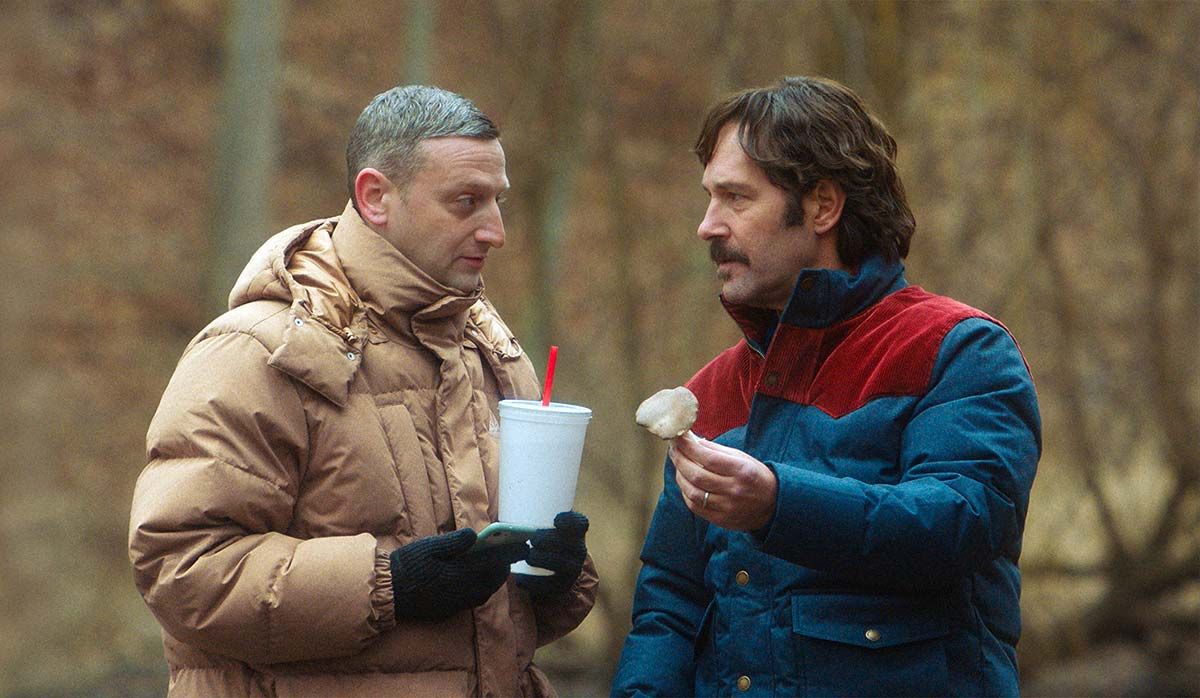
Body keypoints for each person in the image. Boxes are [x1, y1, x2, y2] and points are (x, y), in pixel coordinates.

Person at [129, 85, 597, 697]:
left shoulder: (489, 350)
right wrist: (389, 584)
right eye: (466, 202)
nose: (496, 232)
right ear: (376, 197)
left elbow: (501, 625)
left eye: (498, 202)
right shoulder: (257, 351)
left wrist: (554, 576)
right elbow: (182, 567)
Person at [611, 76, 1040, 697]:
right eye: (709, 198)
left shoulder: (959, 348)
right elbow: (670, 605)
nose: (707, 225)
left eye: (735, 198)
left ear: (821, 207)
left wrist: (779, 503)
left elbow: (963, 522)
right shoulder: (711, 389)